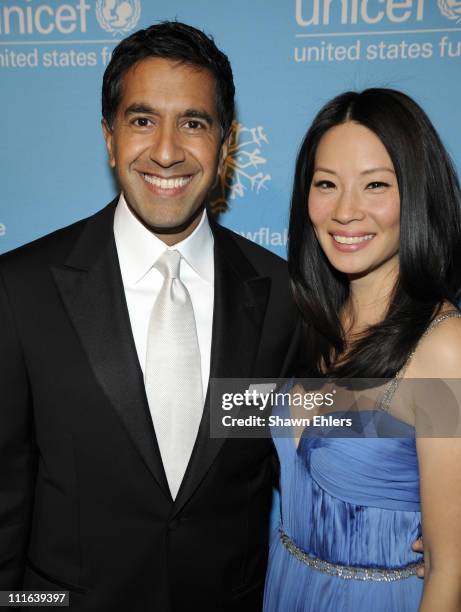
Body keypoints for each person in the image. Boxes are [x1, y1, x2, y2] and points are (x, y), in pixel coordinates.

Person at [0, 22, 301, 612]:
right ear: (109, 138)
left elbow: (330, 432)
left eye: (193, 122)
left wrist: (418, 510)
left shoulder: (285, 295)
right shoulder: (21, 291)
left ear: (226, 142)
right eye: (142, 121)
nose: (166, 150)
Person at [263, 89, 461, 611]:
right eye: (326, 184)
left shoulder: (442, 350)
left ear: (416, 195)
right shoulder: (309, 321)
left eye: (375, 185)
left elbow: (450, 568)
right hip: (285, 589)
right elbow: (231, 418)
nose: (346, 211)